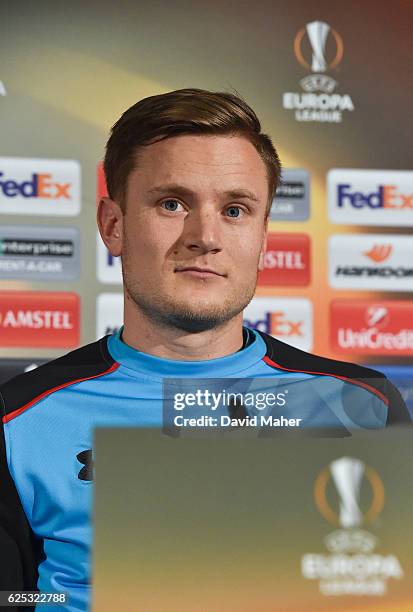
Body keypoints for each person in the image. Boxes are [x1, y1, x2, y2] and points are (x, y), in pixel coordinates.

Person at [0, 88, 410, 611]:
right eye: (172, 203)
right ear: (113, 225)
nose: (206, 237)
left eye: (235, 209)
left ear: (263, 237)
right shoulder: (18, 419)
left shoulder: (364, 407)